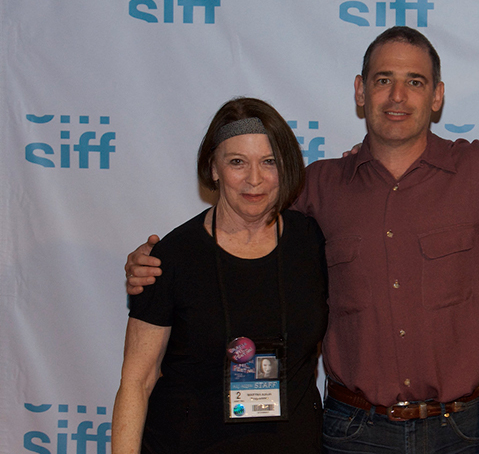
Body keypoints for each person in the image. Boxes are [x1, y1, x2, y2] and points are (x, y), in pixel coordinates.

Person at [125, 28, 479, 453]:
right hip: (353, 432)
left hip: (463, 430)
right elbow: (239, 223)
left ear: (437, 96)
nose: (397, 97)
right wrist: (156, 264)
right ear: (360, 91)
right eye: (383, 80)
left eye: (414, 82)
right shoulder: (317, 186)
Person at [112, 98, 328, 454]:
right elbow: (137, 380)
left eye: (269, 162)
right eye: (237, 162)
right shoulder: (171, 258)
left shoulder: (311, 241)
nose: (254, 179)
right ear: (214, 167)